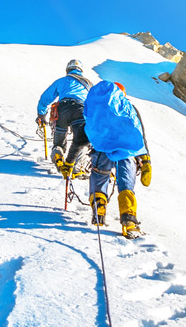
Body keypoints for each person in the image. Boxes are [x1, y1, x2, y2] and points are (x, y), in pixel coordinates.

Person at [82, 81, 152, 239]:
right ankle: (129, 221)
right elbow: (139, 132)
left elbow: (89, 127)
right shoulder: (128, 107)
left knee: (100, 176)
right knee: (126, 183)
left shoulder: (97, 108)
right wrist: (146, 159)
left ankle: (99, 210)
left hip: (102, 149)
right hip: (126, 152)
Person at [36, 59, 93, 178]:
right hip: (80, 110)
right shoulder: (88, 84)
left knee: (60, 137)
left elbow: (45, 98)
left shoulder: (61, 81)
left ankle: (58, 155)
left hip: (61, 110)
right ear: (81, 70)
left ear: (68, 70)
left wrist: (41, 115)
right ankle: (77, 168)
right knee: (81, 139)